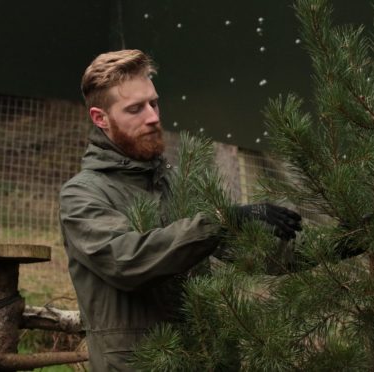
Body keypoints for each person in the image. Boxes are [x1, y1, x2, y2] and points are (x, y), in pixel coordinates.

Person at [59, 49, 302, 371]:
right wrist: (222, 220)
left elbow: (255, 255)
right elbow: (127, 262)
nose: (153, 117)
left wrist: (345, 242)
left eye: (153, 103)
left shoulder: (177, 184)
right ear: (100, 118)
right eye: (135, 109)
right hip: (138, 364)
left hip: (206, 359)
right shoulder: (82, 194)